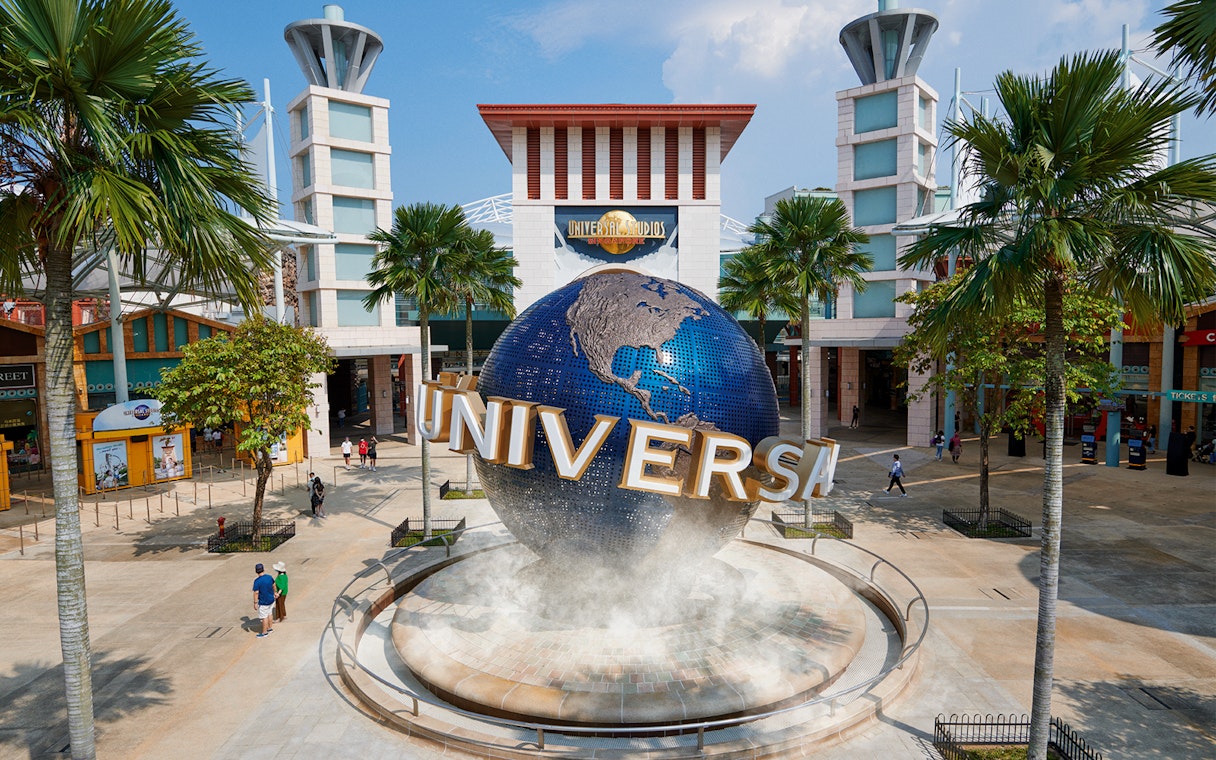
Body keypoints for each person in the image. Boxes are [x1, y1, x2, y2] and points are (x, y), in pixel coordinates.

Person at [252, 563, 276, 638]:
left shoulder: (257, 581)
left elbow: (256, 593)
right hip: (271, 599)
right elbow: (274, 585)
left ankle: (264, 632)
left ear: (256, 571)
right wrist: (275, 592)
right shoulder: (269, 577)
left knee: (264, 617)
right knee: (270, 613)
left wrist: (255, 603)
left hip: (263, 602)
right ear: (263, 569)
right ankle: (270, 628)